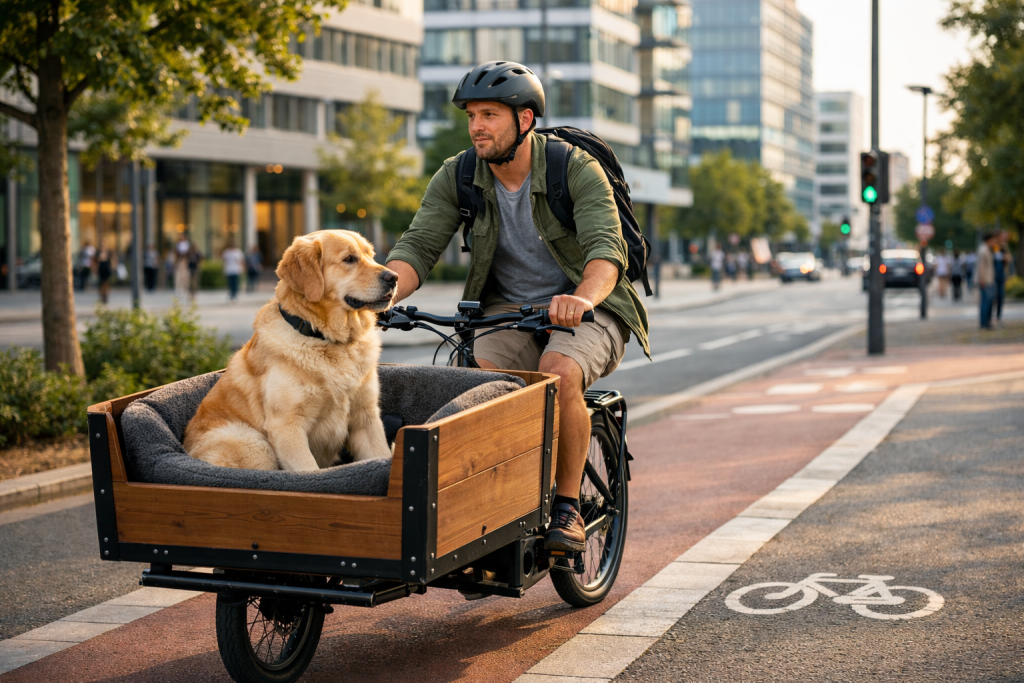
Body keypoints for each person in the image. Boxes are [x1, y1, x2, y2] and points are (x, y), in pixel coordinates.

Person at [384, 61, 649, 555]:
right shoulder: (459, 174)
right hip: (508, 308)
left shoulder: (574, 168)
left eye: (490, 115)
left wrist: (581, 298)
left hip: (592, 305)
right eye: (471, 115)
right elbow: (418, 247)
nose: (477, 126)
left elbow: (606, 252)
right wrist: (376, 298)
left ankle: (567, 506)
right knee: (478, 384)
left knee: (559, 372)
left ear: (525, 120)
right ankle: (497, 507)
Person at [977, 232, 997, 329]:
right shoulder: (984, 250)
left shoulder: (987, 250)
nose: (995, 242)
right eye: (994, 240)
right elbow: (981, 266)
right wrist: (982, 279)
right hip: (985, 280)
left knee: (988, 301)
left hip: (988, 279)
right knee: (986, 302)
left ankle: (986, 322)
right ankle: (984, 323)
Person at [993, 233, 1007, 324]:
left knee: (1001, 295)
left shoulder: (1004, 247)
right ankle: (991, 315)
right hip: (993, 274)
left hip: (1001, 274)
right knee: (992, 296)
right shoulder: (991, 247)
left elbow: (1008, 258)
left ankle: (998, 315)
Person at [174, 234, 191, 299]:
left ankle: (184, 289)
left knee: (185, 277)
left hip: (184, 262)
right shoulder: (177, 245)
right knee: (178, 277)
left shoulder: (186, 245)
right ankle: (179, 289)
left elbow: (187, 253)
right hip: (179, 262)